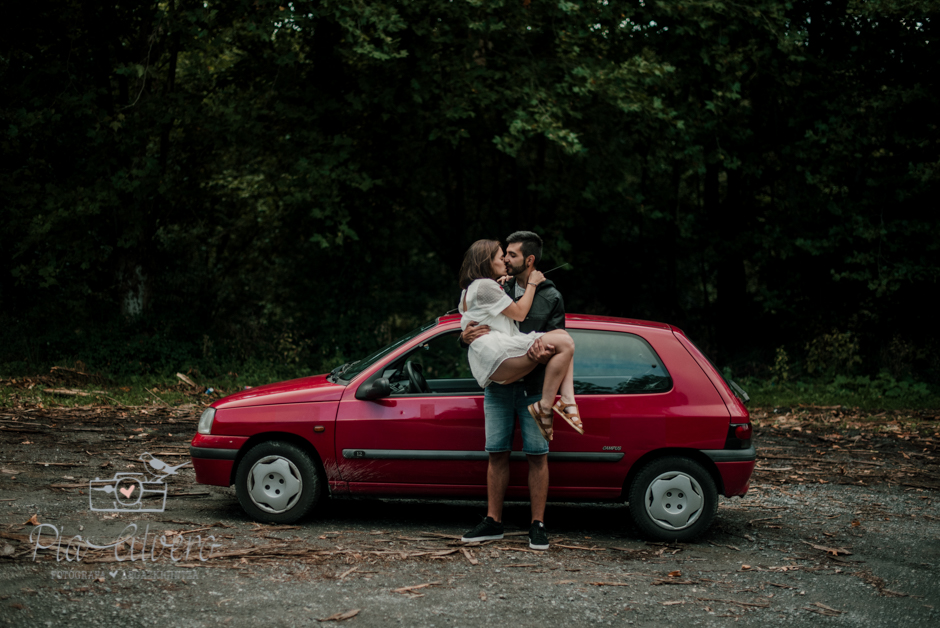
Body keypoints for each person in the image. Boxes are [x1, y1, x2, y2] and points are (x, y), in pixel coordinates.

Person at [457, 232, 582, 550]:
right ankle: (493, 521)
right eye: (503, 255)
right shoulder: (499, 286)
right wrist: (464, 337)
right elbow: (474, 318)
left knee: (538, 456)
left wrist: (544, 363)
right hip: (499, 387)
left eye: (511, 255)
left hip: (535, 385)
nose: (506, 260)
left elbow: (560, 341)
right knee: (496, 453)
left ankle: (537, 525)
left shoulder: (551, 296)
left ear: (529, 260)